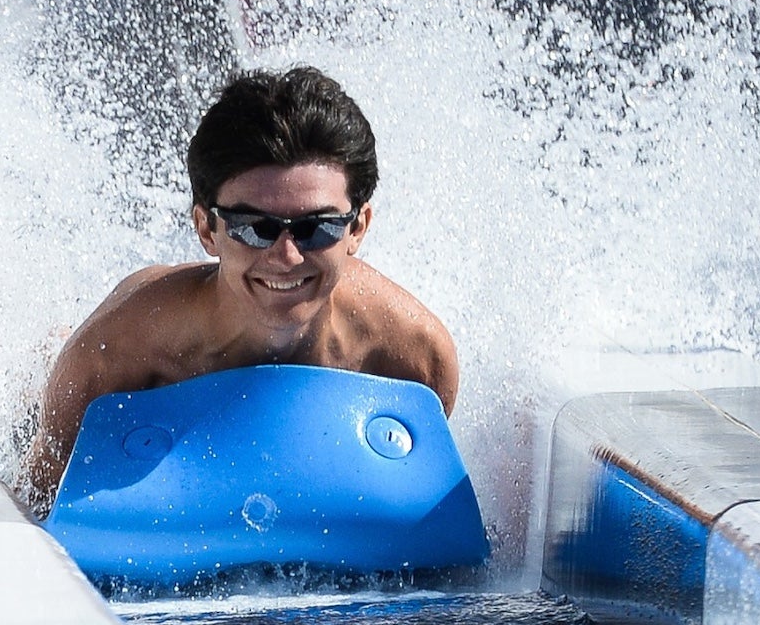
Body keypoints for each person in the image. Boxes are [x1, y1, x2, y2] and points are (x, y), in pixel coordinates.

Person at [22, 66, 455, 516]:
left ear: (357, 228)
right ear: (206, 229)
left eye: (316, 227)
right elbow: (35, 507)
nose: (287, 256)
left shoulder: (415, 356)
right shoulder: (117, 353)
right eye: (254, 228)